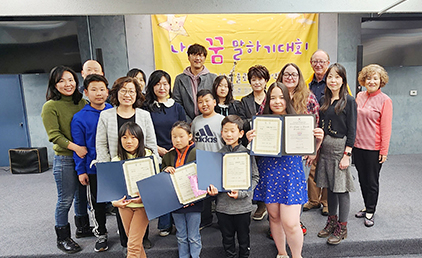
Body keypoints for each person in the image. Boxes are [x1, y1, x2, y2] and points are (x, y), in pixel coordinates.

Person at [247, 82, 324, 258]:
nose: (277, 101)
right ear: (267, 100)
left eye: (281, 97)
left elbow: (308, 149)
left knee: (291, 222)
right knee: (274, 218)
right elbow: (253, 151)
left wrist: (318, 141)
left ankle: (297, 256)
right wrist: (250, 140)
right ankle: (282, 253)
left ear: (287, 98)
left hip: (291, 174)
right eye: (273, 97)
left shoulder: (298, 120)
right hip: (269, 172)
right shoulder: (262, 122)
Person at [96, 76, 158, 253]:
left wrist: (153, 172)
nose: (127, 94)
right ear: (116, 93)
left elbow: (151, 144)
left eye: (131, 91)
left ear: (137, 94)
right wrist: (108, 174)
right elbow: (101, 145)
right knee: (124, 215)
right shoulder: (106, 115)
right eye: (123, 90)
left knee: (137, 229)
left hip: (141, 173)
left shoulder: (144, 115)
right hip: (118, 173)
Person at [41, 66, 88, 254]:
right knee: (65, 199)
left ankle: (83, 228)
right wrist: (76, 148)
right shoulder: (50, 106)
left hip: (82, 158)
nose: (67, 84)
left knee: (81, 196)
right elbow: (54, 135)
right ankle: (62, 238)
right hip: (65, 159)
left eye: (70, 80)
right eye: (61, 81)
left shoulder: (82, 103)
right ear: (54, 84)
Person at [276, 63, 320, 235]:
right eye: (286, 74)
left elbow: (316, 125)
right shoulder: (274, 95)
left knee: (297, 192)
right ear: (281, 76)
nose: (290, 77)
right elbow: (263, 117)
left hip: (300, 155)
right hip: (277, 155)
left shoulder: (308, 97)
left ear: (299, 77)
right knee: (279, 189)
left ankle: (295, 222)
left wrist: (313, 150)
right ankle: (277, 226)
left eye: (294, 74)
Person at [315, 63, 357, 245]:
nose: (333, 80)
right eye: (330, 77)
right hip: (325, 148)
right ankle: (331, 222)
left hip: (341, 148)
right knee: (330, 187)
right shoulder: (324, 99)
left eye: (337, 77)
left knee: (341, 189)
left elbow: (353, 130)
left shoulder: (349, 101)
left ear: (343, 80)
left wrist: (347, 154)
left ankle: (342, 227)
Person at [207, 115, 259, 258]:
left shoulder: (247, 154)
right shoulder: (217, 155)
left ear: (241, 133)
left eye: (232, 131)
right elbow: (213, 180)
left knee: (244, 238)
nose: (229, 134)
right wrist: (213, 191)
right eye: (225, 131)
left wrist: (242, 193)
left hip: (243, 207)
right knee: (227, 239)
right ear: (221, 133)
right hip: (223, 207)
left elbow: (255, 177)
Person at [71, 74, 112, 252]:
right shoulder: (79, 118)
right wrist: (81, 171)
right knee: (97, 203)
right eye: (93, 90)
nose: (98, 93)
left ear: (108, 91)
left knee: (119, 201)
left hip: (114, 165)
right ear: (86, 92)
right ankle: (101, 234)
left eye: (102, 89)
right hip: (94, 168)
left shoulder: (113, 110)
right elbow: (79, 147)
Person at [143, 70, 187, 236]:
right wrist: (158, 149)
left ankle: (179, 222)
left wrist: (176, 148)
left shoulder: (176, 107)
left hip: (177, 152)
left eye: (165, 83)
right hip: (155, 152)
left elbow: (184, 129)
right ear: (152, 86)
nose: (162, 87)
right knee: (161, 189)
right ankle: (165, 224)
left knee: (177, 187)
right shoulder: (146, 108)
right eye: (157, 84)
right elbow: (144, 133)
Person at [353, 64, 393, 227]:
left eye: (375, 78)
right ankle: (366, 205)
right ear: (364, 80)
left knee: (372, 180)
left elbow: (386, 128)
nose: (371, 81)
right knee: (362, 179)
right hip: (358, 146)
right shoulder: (359, 96)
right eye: (368, 78)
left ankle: (371, 210)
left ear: (380, 81)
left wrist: (384, 151)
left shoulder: (385, 100)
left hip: (373, 148)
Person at [162, 121, 202, 258]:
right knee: (181, 235)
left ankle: (195, 256)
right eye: (174, 137)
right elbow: (162, 177)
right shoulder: (168, 156)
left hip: (194, 202)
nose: (177, 140)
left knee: (193, 235)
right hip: (176, 202)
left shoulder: (197, 153)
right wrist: (165, 170)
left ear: (190, 136)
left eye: (181, 136)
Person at [111, 122, 152, 258]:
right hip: (125, 206)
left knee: (133, 247)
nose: (129, 141)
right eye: (124, 137)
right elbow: (111, 188)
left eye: (133, 137)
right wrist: (114, 203)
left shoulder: (148, 156)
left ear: (140, 139)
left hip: (142, 205)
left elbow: (154, 182)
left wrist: (145, 195)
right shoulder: (116, 160)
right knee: (135, 243)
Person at [239, 64, 270, 221]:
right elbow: (241, 121)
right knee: (255, 173)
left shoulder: (273, 99)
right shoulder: (245, 101)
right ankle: (258, 204)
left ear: (266, 81)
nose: (257, 82)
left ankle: (267, 203)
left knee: (267, 173)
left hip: (270, 144)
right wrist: (253, 123)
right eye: (253, 79)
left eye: (260, 79)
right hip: (252, 143)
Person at [191, 89, 225, 229]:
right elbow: (192, 140)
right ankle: (206, 220)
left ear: (214, 102)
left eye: (207, 101)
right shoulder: (196, 121)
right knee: (203, 193)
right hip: (201, 163)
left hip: (218, 161)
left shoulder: (221, 120)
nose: (204, 104)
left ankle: (222, 221)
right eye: (200, 102)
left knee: (220, 194)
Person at [173, 43, 217, 123]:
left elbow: (216, 100)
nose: (197, 58)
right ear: (188, 57)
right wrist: (188, 122)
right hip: (186, 123)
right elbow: (177, 103)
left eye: (201, 55)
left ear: (204, 58)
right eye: (194, 55)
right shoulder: (180, 79)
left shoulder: (212, 78)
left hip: (209, 121)